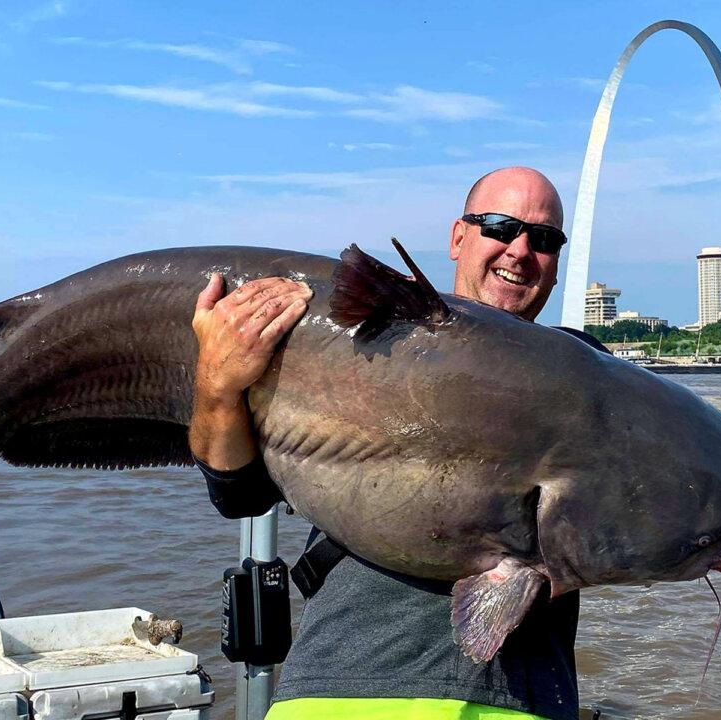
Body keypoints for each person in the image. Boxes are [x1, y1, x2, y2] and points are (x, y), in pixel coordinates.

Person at [189, 167, 607, 720]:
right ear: (458, 237)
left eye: (545, 238)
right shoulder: (359, 338)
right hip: (334, 691)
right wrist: (217, 387)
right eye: (500, 227)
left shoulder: (584, 373)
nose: (521, 250)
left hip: (516, 701)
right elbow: (239, 495)